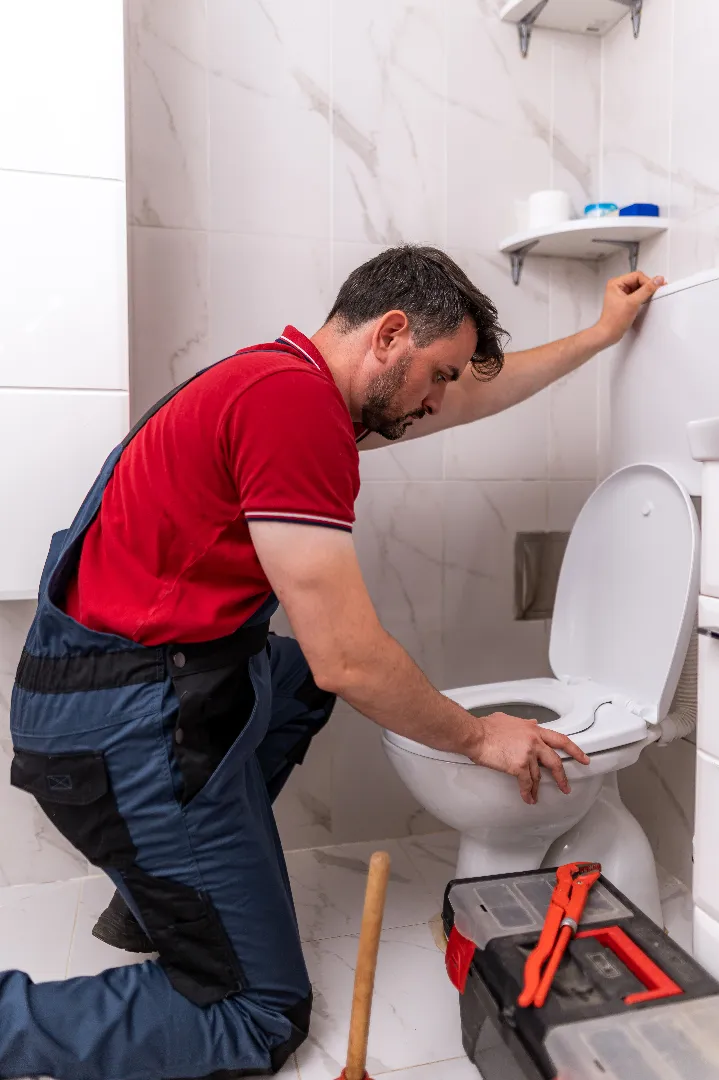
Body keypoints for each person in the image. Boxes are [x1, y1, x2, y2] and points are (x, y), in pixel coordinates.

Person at [2, 247, 664, 1080]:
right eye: (439, 374)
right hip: (123, 730)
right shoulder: (292, 411)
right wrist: (475, 737)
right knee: (259, 1017)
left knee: (288, 680)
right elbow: (348, 658)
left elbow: (477, 396)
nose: (440, 399)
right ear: (390, 333)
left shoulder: (269, 380)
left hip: (106, 693)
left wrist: (601, 334)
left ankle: (172, 895)